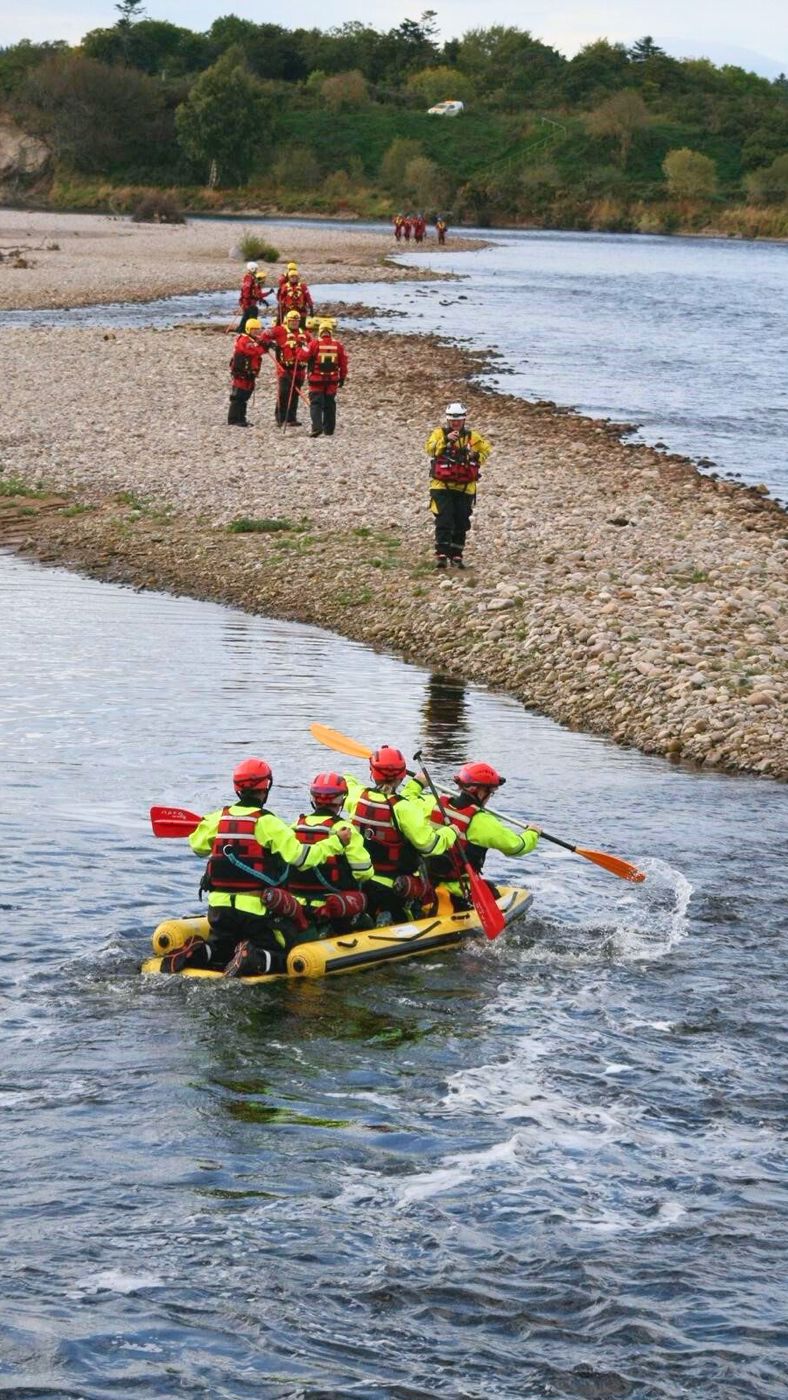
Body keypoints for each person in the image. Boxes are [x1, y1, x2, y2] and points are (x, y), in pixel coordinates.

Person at [161, 757, 353, 977]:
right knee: (287, 951)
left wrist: (209, 823)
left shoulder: (218, 818)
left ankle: (198, 952)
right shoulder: (268, 822)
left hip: (218, 910)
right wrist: (336, 842)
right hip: (255, 911)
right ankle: (254, 957)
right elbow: (301, 857)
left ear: (237, 789)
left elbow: (196, 845)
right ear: (266, 788)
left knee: (221, 949)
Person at [344, 745, 459, 923]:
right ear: (402, 775)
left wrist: (375, 762)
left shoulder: (356, 796)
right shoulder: (404, 808)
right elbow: (430, 846)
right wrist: (449, 832)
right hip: (393, 885)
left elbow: (346, 780)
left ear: (372, 773)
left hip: (358, 879)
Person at [409, 761, 541, 908]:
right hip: (459, 890)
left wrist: (417, 784)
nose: (490, 797)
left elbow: (405, 801)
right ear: (481, 792)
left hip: (421, 880)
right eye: (490, 793)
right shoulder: (483, 822)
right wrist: (532, 833)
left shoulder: (431, 802)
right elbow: (517, 847)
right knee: (492, 892)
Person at [288, 773, 380, 933]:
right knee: (369, 893)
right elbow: (364, 872)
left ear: (313, 799)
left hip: (296, 905)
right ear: (341, 800)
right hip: (333, 905)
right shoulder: (345, 829)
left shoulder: (295, 825)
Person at [425, 401, 492, 569]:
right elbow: (430, 449)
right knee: (444, 520)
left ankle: (456, 555)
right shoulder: (439, 433)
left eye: (459, 420)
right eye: (452, 420)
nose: (455, 423)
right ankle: (441, 554)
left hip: (465, 487)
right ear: (448, 420)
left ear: (464, 420)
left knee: (461, 521)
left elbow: (486, 451)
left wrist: (475, 455)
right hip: (441, 485)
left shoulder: (472, 437)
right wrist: (445, 441)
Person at [259, 309, 310, 426]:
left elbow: (313, 345)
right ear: (287, 320)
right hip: (284, 368)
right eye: (292, 321)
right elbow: (264, 335)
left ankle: (291, 418)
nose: (295, 323)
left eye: (297, 321)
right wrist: (269, 344)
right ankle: (280, 418)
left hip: (300, 369)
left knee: (295, 394)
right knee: (284, 393)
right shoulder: (279, 330)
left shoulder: (305, 333)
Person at [305, 319, 348, 438]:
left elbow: (303, 356)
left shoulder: (314, 344)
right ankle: (329, 429)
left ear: (320, 332)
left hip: (316, 380)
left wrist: (299, 348)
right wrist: (342, 377)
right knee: (330, 404)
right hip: (332, 380)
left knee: (316, 404)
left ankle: (316, 428)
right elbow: (343, 363)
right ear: (331, 332)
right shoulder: (338, 345)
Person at [227, 317, 265, 427]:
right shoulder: (244, 340)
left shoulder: (252, 339)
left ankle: (241, 418)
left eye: (258, 329)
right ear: (248, 329)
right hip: (242, 373)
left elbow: (258, 344)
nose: (257, 331)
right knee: (238, 396)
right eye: (254, 329)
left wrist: (266, 343)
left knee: (244, 397)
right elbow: (253, 351)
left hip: (249, 373)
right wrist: (265, 348)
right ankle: (233, 419)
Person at [237, 262, 273, 331]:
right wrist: (247, 300)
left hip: (248, 302)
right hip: (248, 302)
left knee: (246, 316)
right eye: (256, 269)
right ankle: (250, 329)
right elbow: (247, 291)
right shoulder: (249, 278)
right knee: (252, 314)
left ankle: (241, 330)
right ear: (252, 269)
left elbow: (256, 293)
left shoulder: (251, 278)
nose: (256, 271)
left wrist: (261, 299)